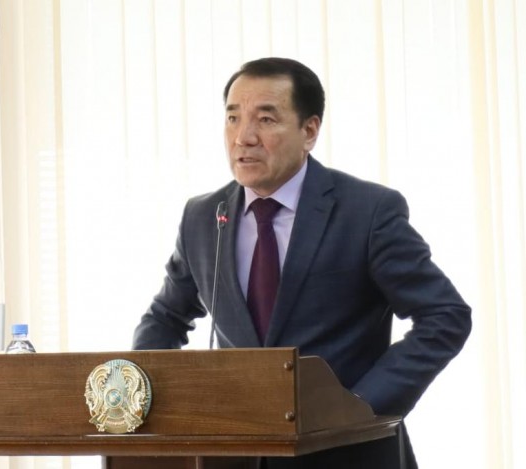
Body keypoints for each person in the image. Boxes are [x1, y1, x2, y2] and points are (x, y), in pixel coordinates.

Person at [132, 57, 471, 469]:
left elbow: (445, 316)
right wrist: (143, 397)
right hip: (238, 456)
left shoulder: (366, 211)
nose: (244, 137)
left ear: (309, 131)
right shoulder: (203, 217)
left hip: (349, 453)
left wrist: (359, 405)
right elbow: (166, 318)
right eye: (233, 118)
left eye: (265, 119)